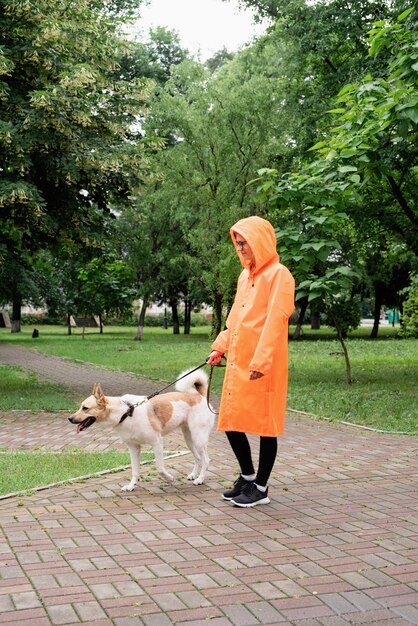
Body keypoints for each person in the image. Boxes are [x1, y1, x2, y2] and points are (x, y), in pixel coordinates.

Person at [208, 215, 295, 507]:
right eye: (238, 243)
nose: (242, 248)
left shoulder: (279, 274)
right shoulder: (245, 275)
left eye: (246, 243)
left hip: (264, 363)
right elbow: (235, 317)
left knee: (265, 425)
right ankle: (247, 477)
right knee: (231, 419)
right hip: (238, 362)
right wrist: (220, 347)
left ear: (261, 241)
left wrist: (261, 361)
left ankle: (261, 488)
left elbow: (276, 321)